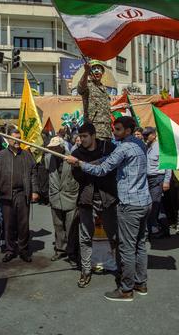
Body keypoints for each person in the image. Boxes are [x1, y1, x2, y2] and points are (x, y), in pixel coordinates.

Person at [67, 117, 152, 302]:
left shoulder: (122, 148)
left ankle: (126, 289)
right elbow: (107, 160)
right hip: (145, 201)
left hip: (130, 203)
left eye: (119, 129)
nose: (114, 132)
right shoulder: (140, 144)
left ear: (128, 131)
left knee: (127, 247)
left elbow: (102, 170)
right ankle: (141, 283)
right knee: (140, 245)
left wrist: (79, 163)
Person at [70, 123, 118, 288]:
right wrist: (79, 167)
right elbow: (78, 177)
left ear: (93, 135)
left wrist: (86, 166)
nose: (82, 140)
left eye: (85, 136)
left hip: (108, 197)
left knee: (114, 235)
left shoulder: (108, 147)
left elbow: (111, 169)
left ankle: (121, 269)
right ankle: (85, 271)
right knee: (85, 237)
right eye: (80, 136)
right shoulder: (76, 153)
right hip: (87, 199)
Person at [0, 127, 39, 262]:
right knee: (8, 224)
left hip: (22, 195)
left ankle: (23, 250)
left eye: (18, 138)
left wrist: (34, 191)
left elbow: (34, 173)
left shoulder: (27, 156)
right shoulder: (1, 156)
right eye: (14, 138)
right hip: (6, 195)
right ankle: (10, 250)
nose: (17, 141)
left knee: (23, 224)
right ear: (8, 139)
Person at [44, 136, 79, 263]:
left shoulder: (72, 157)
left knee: (71, 227)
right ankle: (60, 249)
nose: (53, 149)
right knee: (58, 225)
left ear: (61, 147)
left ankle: (72, 252)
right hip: (55, 197)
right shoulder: (48, 158)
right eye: (51, 147)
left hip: (70, 196)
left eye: (55, 147)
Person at [143, 127, 171, 238]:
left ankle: (153, 230)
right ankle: (164, 229)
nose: (145, 137)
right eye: (144, 135)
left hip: (158, 178)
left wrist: (167, 181)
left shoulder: (161, 147)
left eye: (147, 135)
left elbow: (168, 165)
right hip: (149, 179)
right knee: (157, 205)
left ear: (154, 135)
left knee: (154, 205)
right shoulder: (147, 147)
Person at [77, 60, 112, 141]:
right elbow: (80, 88)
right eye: (94, 69)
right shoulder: (88, 85)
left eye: (99, 69)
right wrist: (86, 72)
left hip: (106, 131)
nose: (96, 71)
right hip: (94, 131)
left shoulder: (104, 89)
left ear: (102, 73)